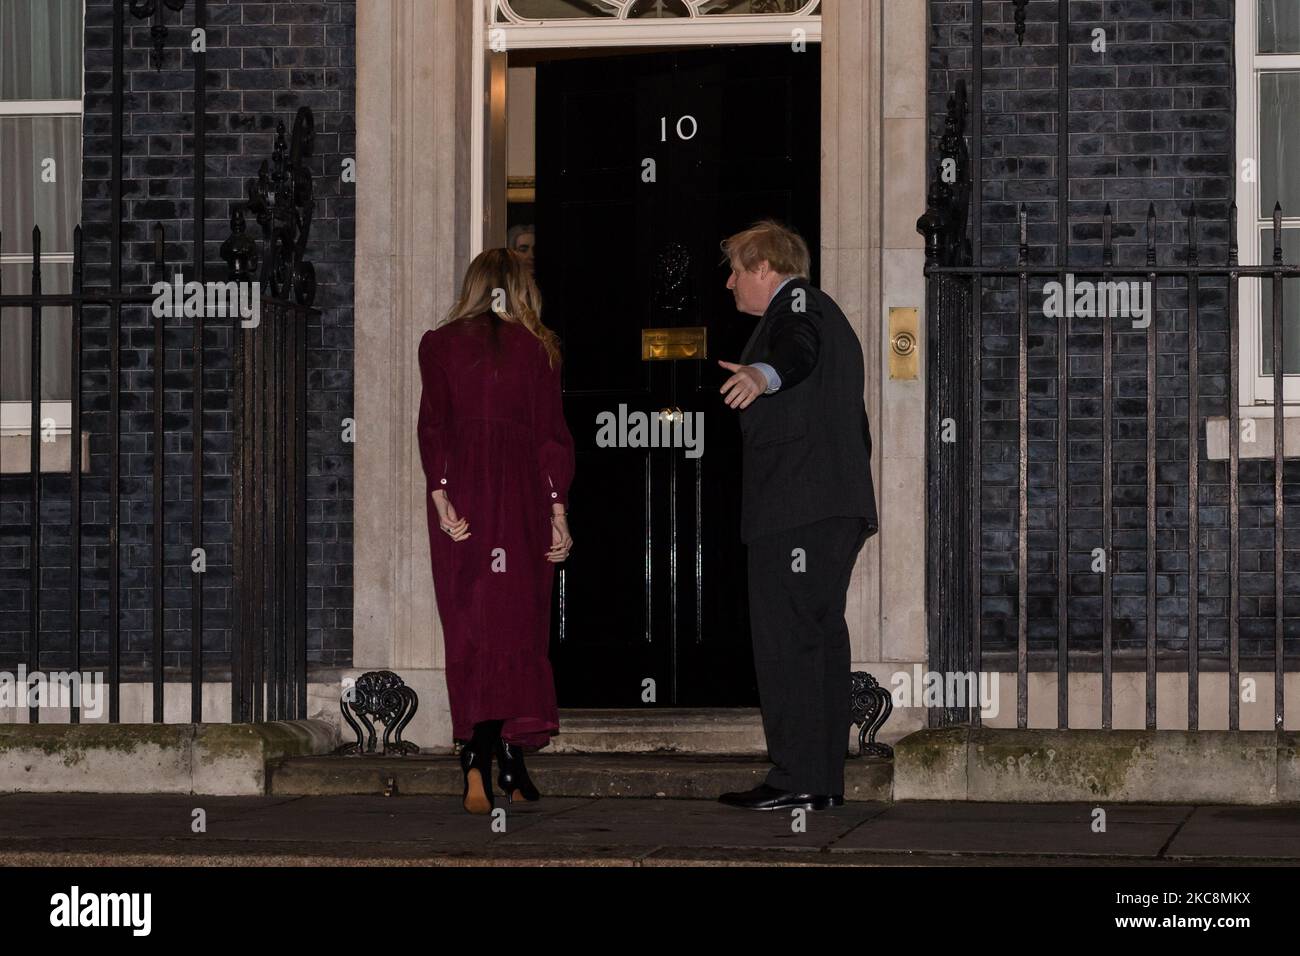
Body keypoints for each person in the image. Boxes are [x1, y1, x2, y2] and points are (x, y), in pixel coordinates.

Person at [714, 220, 879, 812]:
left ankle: (797, 778)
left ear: (765, 267)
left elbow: (798, 351)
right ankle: (819, 778)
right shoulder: (815, 311)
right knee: (817, 639)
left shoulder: (800, 305)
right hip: (826, 506)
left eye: (736, 269)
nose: (730, 283)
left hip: (800, 508)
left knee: (789, 641)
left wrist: (764, 373)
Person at [417, 248, 575, 815]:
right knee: (518, 626)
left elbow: (432, 424)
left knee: (471, 627)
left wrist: (439, 494)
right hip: (521, 501)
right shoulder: (539, 350)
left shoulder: (438, 344)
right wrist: (558, 509)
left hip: (463, 501)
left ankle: (479, 760)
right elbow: (551, 438)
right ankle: (506, 759)